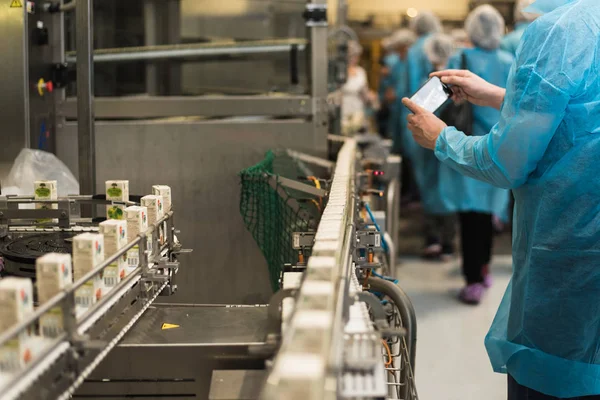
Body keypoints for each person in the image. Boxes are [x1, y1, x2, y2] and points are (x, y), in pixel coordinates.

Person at [402, 0, 600, 397]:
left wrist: (441, 138)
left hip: (572, 262)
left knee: (558, 377)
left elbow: (504, 162)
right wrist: (498, 94)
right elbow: (578, 114)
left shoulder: (559, 31)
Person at [436, 5, 513, 302]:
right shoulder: (510, 61)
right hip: (501, 147)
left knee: (470, 216)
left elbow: (440, 100)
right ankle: (484, 268)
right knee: (488, 213)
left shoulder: (460, 60)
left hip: (468, 146)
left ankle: (472, 279)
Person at [413, 33, 457, 260]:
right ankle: (447, 242)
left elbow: (418, 113)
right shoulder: (456, 77)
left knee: (431, 187)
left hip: (430, 143)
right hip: (451, 141)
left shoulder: (431, 81)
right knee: (448, 190)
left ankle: (434, 239)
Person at [341, 40, 377, 135]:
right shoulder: (339, 73)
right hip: (342, 111)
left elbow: (365, 92)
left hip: (357, 111)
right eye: (352, 56)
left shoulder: (360, 72)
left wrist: (371, 97)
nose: (355, 59)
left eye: (356, 56)